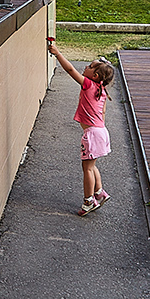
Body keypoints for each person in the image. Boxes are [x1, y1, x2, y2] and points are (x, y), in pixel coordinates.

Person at [48, 38, 115, 215]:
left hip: (92, 134)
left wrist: (57, 53)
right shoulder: (102, 90)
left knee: (87, 169)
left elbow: (70, 70)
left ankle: (88, 202)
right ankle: (99, 193)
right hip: (101, 132)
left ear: (95, 76)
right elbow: (103, 114)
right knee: (92, 166)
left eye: (89, 66)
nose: (85, 67)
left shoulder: (88, 84)